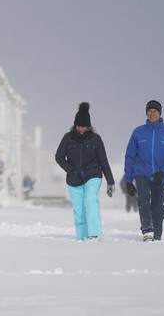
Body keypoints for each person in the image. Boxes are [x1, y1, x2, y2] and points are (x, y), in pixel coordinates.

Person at [55, 102, 115, 241]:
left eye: (84, 126)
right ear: (75, 125)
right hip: (74, 178)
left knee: (90, 201)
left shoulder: (96, 139)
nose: (81, 129)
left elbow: (103, 161)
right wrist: (70, 169)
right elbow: (59, 156)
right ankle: (81, 236)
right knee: (79, 210)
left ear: (89, 126)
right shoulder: (68, 138)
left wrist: (110, 181)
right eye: (78, 126)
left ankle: (94, 234)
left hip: (92, 175)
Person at [124, 100, 164, 242]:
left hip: (160, 175)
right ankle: (147, 230)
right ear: (146, 113)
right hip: (141, 172)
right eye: (149, 111)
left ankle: (157, 234)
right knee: (143, 200)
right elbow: (130, 156)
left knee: (157, 207)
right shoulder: (138, 132)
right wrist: (128, 180)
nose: (152, 113)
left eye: (155, 111)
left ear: (159, 113)